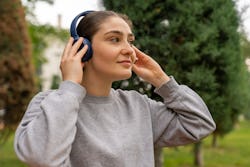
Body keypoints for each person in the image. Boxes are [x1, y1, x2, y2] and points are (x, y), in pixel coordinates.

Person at [14, 10, 216, 167]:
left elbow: (199, 124)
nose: (129, 49)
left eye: (130, 41)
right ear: (83, 48)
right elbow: (41, 158)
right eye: (114, 39)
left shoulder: (138, 106)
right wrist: (70, 88)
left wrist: (161, 80)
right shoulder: (48, 104)